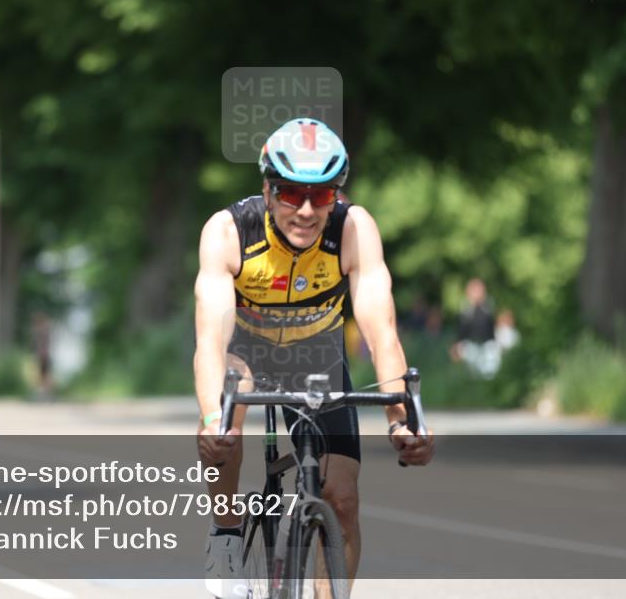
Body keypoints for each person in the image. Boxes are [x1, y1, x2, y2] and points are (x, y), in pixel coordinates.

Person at [194, 118, 435, 598]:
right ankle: (225, 533)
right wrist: (209, 421)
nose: (305, 211)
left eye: (322, 196)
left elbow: (381, 331)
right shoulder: (228, 232)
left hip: (316, 354)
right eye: (290, 194)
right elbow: (210, 344)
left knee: (342, 500)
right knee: (227, 414)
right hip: (247, 349)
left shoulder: (353, 229)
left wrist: (400, 420)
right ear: (267, 189)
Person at [449, 278, 501, 377]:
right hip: (471, 346)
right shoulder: (466, 309)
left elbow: (487, 326)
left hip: (487, 345)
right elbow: (461, 330)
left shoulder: (488, 306)